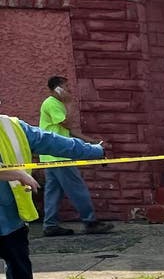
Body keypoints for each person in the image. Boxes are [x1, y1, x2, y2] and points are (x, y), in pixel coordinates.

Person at [0, 113, 105, 279]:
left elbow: (51, 141)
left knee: (20, 265)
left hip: (11, 215)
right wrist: (15, 173)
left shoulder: (11, 126)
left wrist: (93, 150)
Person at [38, 76, 113, 236]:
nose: (69, 89)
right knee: (77, 189)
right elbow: (66, 123)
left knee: (53, 192)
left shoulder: (55, 104)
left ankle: (50, 225)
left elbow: (69, 131)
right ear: (57, 89)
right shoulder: (52, 103)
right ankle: (90, 221)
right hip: (59, 157)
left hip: (51, 156)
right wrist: (69, 103)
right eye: (66, 86)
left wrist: (92, 142)